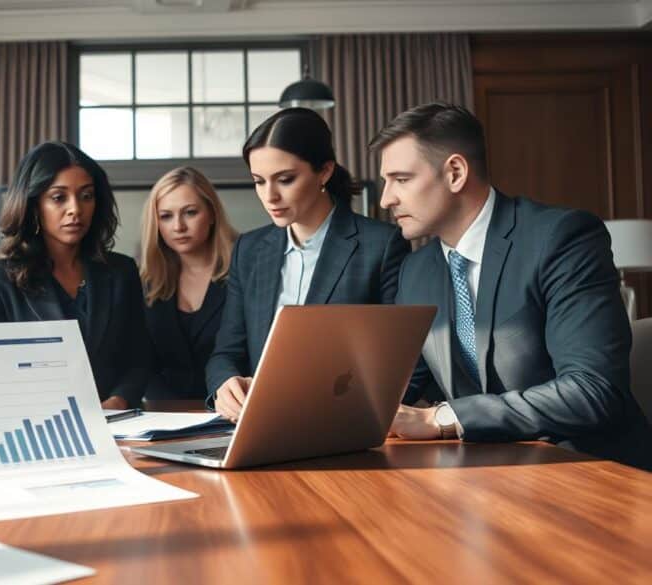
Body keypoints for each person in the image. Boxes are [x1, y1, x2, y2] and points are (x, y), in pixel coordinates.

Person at [373, 102, 651, 469]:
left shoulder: (561, 238)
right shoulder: (415, 270)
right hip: (485, 475)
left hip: (589, 469)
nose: (385, 199)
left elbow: (592, 391)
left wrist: (439, 418)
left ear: (455, 173)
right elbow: (400, 389)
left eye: (402, 179)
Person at [208, 108, 411, 421]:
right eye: (259, 181)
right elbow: (226, 352)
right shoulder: (248, 250)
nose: (269, 196)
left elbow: (399, 358)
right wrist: (225, 385)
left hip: (342, 422)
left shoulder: (381, 245)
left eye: (285, 180)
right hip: (259, 423)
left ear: (325, 171)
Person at [0, 141, 152, 409]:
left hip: (115, 427)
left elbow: (139, 357)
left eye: (86, 196)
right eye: (59, 197)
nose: (75, 209)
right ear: (33, 204)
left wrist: (118, 401)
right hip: (35, 429)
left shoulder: (121, 271)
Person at [140, 167, 237, 400]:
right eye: (166, 216)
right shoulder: (146, 284)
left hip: (232, 411)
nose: (178, 226)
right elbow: (141, 364)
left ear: (212, 214)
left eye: (190, 212)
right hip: (165, 417)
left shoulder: (243, 273)